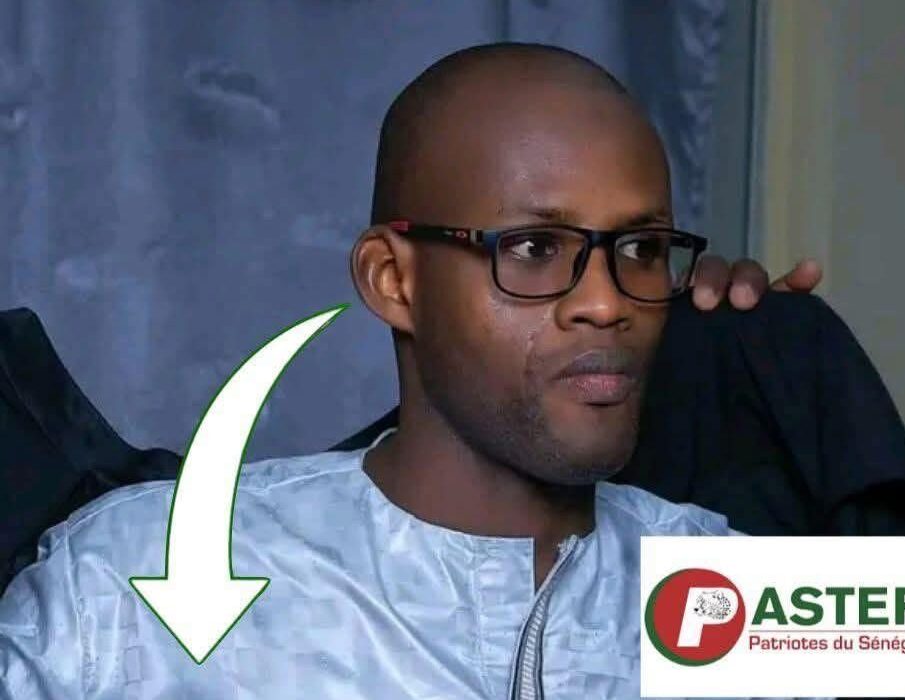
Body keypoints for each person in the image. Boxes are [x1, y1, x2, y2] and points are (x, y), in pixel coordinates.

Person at [0, 43, 826, 699]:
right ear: (394, 281)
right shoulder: (126, 581)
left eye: (640, 249)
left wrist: (778, 360)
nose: (607, 302)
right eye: (534, 248)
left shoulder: (762, 599)